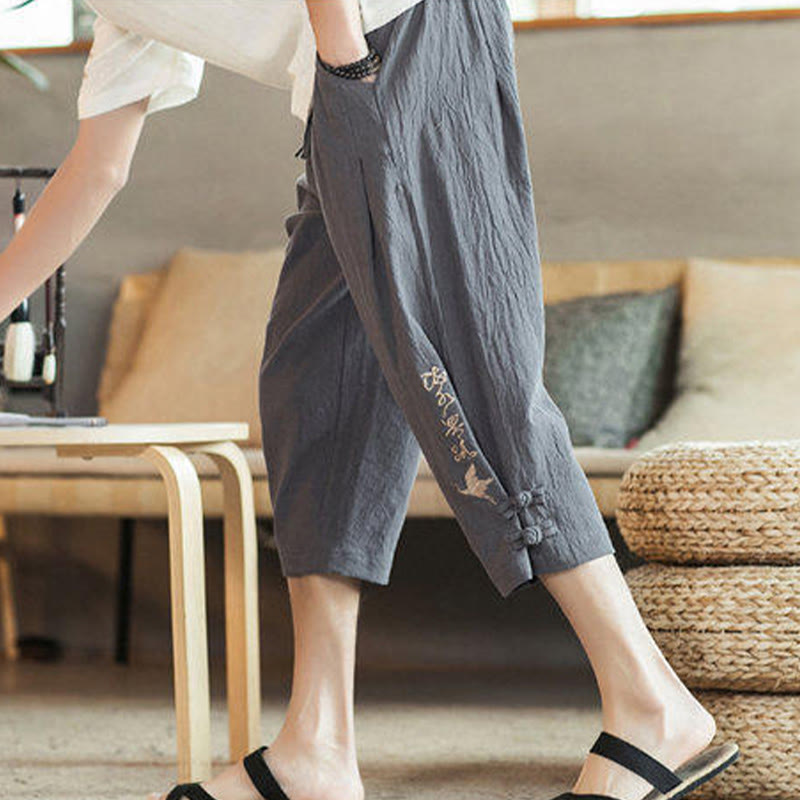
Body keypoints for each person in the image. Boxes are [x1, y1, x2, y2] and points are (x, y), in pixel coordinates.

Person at [0, 2, 739, 800]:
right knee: (317, 382)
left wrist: (345, 52)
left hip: (398, 28)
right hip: (348, 69)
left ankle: (652, 703)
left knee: (471, 362)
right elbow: (98, 168)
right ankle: (315, 748)